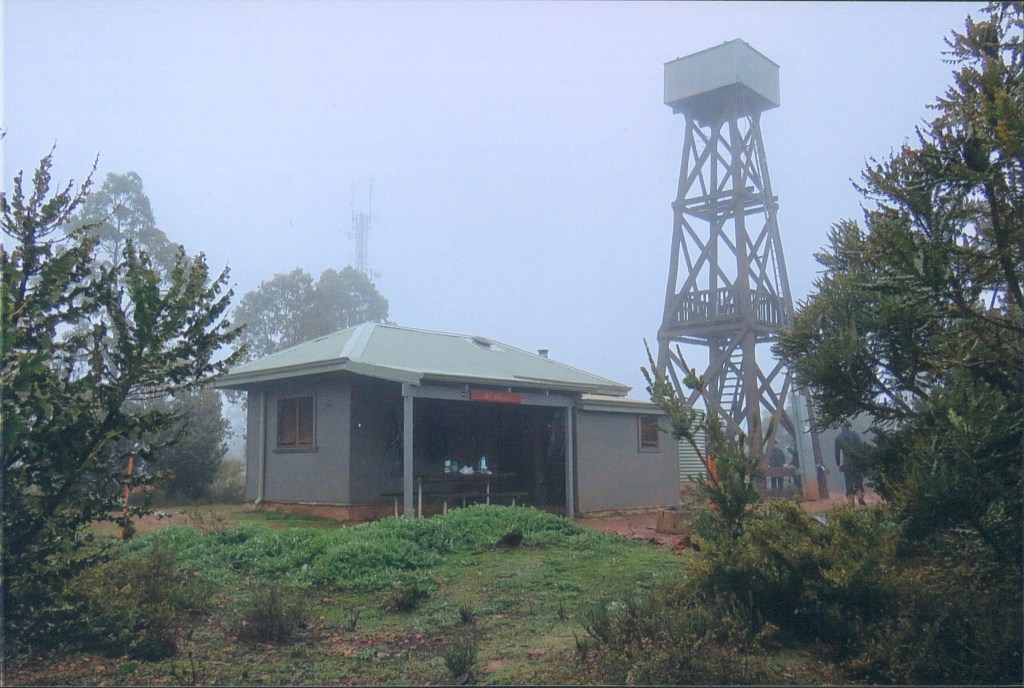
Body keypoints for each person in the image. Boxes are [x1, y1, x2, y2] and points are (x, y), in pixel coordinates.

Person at [834, 424, 866, 506]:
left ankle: (850, 504)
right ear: (850, 426)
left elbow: (837, 453)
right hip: (857, 460)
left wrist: (838, 464)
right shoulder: (856, 434)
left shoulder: (838, 438)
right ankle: (860, 498)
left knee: (848, 481)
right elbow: (862, 448)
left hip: (847, 462)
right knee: (858, 480)